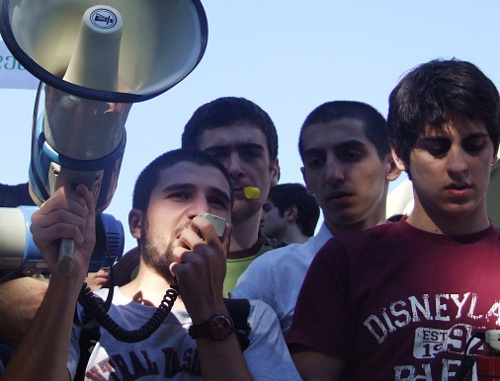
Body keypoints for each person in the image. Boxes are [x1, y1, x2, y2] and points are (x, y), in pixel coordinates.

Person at [2, 148, 300, 381]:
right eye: (180, 195)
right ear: (137, 224)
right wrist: (66, 280)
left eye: (218, 202)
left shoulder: (252, 320)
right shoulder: (83, 314)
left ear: (228, 230)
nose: (201, 211)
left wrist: (210, 310)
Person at [287, 58, 500, 380]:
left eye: (474, 146)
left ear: (494, 148)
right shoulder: (346, 261)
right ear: (399, 155)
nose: (458, 165)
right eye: (437, 148)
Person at [232, 100, 400, 335]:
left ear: (392, 163)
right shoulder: (273, 274)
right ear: (307, 179)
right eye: (317, 162)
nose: (333, 174)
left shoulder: (426, 262)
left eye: (351, 155)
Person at [181, 97, 280, 296]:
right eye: (217, 156)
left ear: (274, 172)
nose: (234, 169)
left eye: (250, 154)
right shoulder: (141, 268)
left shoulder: (302, 269)